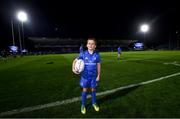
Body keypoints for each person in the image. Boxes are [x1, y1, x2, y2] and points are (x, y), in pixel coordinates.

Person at [72, 38, 101, 114]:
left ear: (95, 46)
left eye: (92, 44)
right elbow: (75, 61)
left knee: (93, 90)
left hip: (93, 77)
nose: (90, 45)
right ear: (86, 45)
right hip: (85, 77)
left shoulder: (97, 55)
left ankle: (94, 103)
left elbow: (98, 65)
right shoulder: (83, 54)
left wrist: (98, 75)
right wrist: (73, 68)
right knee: (85, 90)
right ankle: (83, 105)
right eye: (89, 43)